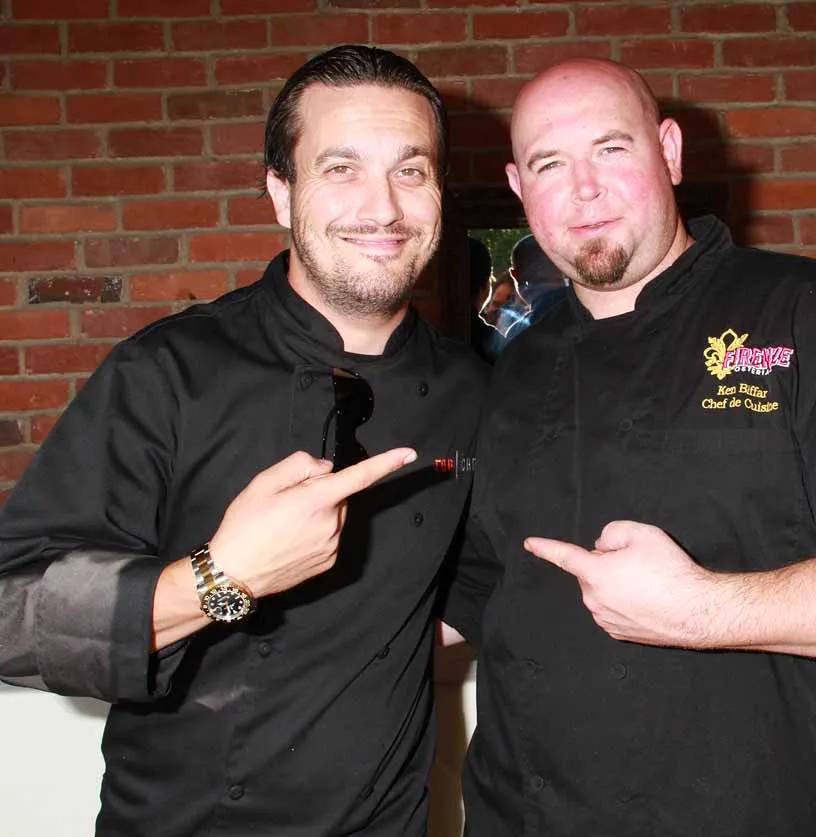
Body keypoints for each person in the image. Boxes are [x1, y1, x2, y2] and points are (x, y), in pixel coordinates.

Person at [442, 58, 816, 837]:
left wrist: (699, 609)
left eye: (611, 149)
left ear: (669, 152)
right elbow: (482, 582)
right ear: (517, 186)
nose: (584, 188)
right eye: (549, 164)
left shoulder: (808, 312)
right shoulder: (517, 363)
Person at [0, 45, 486, 836]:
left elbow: (487, 579)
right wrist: (219, 578)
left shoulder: (474, 389)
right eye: (340, 169)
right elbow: (10, 608)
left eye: (411, 170)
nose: (383, 207)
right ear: (280, 192)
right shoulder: (168, 371)